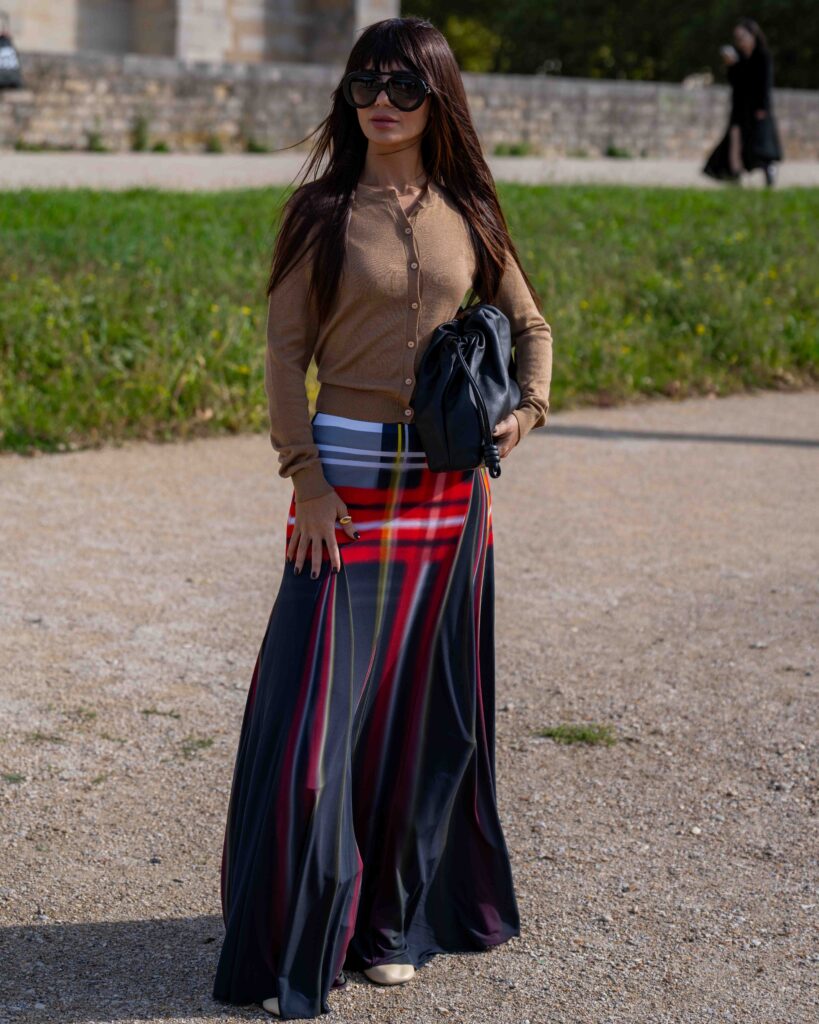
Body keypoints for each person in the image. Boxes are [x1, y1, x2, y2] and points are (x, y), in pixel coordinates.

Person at [211, 15, 553, 1020]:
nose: (382, 102)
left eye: (404, 84)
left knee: (422, 726)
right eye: (365, 83)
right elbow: (284, 355)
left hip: (451, 506)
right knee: (315, 736)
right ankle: (295, 935)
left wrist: (526, 411)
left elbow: (530, 325)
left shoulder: (470, 208)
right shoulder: (320, 212)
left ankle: (392, 925)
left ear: (437, 95)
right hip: (344, 506)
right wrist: (304, 478)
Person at [703, 17, 783, 187]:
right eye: (737, 39)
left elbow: (765, 84)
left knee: (759, 144)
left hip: (757, 108)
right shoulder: (739, 58)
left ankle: (768, 170)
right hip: (740, 107)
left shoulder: (763, 56)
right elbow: (736, 83)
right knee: (735, 139)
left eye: (742, 37)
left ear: (752, 35)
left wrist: (762, 107)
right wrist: (731, 66)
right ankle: (734, 174)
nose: (740, 42)